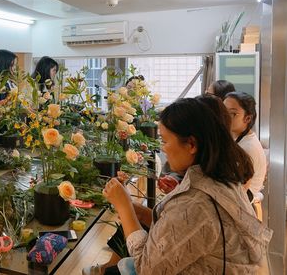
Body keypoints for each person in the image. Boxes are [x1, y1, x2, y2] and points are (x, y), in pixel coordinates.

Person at [99, 98, 271, 274]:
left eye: (165, 141)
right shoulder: (218, 179)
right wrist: (142, 214)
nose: (163, 148)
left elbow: (146, 268)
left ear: (191, 144)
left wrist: (124, 207)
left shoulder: (198, 203)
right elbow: (184, 231)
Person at [224, 91, 267, 220]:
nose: (225, 117)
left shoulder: (248, 147)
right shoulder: (236, 137)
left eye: (232, 114)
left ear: (247, 118)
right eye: (223, 112)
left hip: (244, 206)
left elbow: (239, 189)